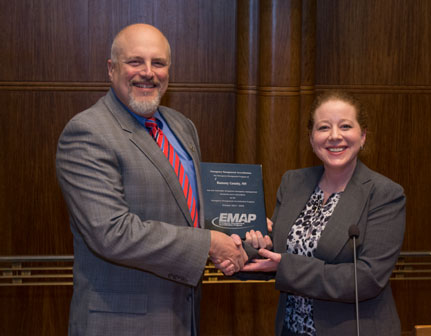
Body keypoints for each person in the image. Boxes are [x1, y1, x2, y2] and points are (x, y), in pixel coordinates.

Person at [55, 23, 247, 336]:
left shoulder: (181, 126)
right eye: (135, 62)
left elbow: (192, 212)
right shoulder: (88, 132)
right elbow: (111, 233)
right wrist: (210, 243)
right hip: (120, 322)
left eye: (158, 63)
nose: (148, 72)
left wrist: (240, 230)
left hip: (183, 314)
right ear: (111, 68)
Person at [241, 91, 406, 336]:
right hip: (291, 329)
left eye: (346, 126)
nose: (335, 136)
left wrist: (286, 266)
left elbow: (367, 279)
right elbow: (275, 253)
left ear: (362, 136)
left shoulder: (384, 194)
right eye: (324, 128)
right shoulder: (293, 182)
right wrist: (253, 245)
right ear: (311, 138)